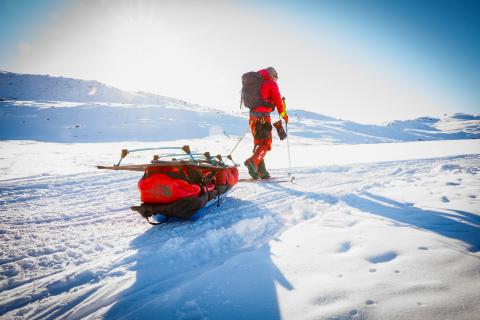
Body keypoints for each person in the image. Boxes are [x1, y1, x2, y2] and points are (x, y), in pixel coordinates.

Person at [244, 67, 288, 179]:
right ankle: (252, 162)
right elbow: (278, 101)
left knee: (259, 142)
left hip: (253, 116)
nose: (276, 80)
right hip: (263, 117)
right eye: (276, 77)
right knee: (266, 144)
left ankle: (261, 171)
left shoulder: (256, 82)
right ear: (272, 74)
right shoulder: (270, 83)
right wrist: (284, 116)